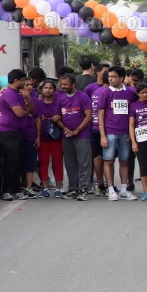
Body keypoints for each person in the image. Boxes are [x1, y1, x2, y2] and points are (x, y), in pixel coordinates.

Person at [97, 66, 138, 201]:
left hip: (125, 133)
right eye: (109, 76)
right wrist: (102, 135)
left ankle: (124, 190)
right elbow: (100, 115)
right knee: (108, 161)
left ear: (121, 78)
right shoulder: (105, 93)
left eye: (114, 76)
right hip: (109, 132)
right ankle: (110, 190)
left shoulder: (130, 93)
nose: (111, 79)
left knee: (124, 161)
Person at [0, 69, 34, 200]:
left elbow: (31, 110)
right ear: (16, 80)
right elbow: (19, 113)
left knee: (18, 161)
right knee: (11, 161)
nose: (25, 83)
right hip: (8, 132)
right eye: (23, 80)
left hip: (18, 131)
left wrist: (28, 99)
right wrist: (26, 112)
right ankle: (6, 191)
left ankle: (16, 190)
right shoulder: (8, 94)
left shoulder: (19, 94)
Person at [57, 73, 92, 201]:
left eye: (66, 84)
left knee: (84, 163)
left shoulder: (83, 97)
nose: (63, 86)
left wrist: (77, 130)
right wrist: (64, 128)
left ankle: (83, 190)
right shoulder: (61, 98)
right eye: (62, 84)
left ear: (74, 85)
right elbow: (57, 117)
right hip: (66, 136)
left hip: (82, 135)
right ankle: (73, 189)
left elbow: (88, 116)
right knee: (70, 163)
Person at [34, 79, 65, 197]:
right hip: (43, 138)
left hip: (57, 138)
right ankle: (45, 189)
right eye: (45, 88)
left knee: (58, 162)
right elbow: (37, 120)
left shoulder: (59, 102)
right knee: (43, 163)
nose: (48, 90)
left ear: (54, 90)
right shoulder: (38, 102)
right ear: (41, 90)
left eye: (50, 88)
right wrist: (38, 137)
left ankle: (58, 189)